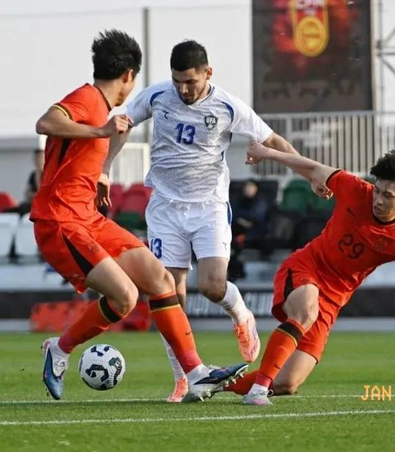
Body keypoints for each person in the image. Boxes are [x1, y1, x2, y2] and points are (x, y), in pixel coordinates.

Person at [31, 29, 247, 403]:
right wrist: (99, 130)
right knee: (126, 297)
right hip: (60, 221)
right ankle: (60, 349)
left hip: (88, 218)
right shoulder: (88, 99)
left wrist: (101, 171)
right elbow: (45, 123)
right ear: (129, 75)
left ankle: (195, 373)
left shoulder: (101, 108)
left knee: (159, 278)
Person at [99, 40, 299, 402]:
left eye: (190, 82)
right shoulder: (157, 96)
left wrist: (310, 174)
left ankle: (241, 315)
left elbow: (272, 138)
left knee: (211, 286)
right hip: (165, 208)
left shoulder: (227, 105)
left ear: (208, 73)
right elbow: (122, 123)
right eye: (178, 81)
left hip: (209, 207)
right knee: (168, 294)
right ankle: (184, 377)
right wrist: (104, 169)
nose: (184, 89)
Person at [227, 144, 395, 406]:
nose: (378, 200)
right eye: (377, 190)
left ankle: (220, 382)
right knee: (306, 311)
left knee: (288, 382)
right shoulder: (354, 188)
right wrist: (268, 153)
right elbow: (312, 167)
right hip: (306, 267)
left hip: (333, 298)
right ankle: (258, 391)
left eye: (388, 195)